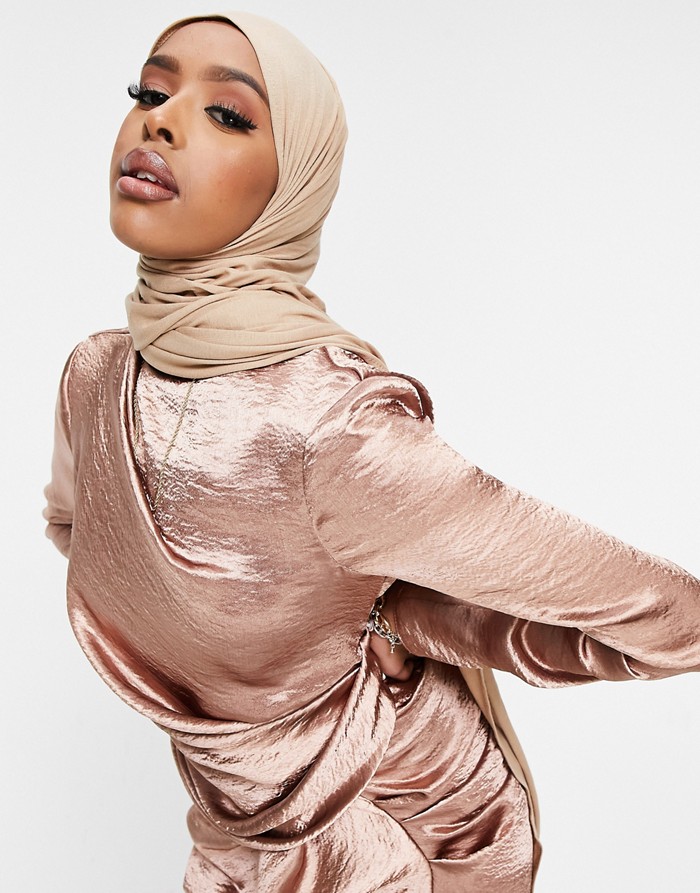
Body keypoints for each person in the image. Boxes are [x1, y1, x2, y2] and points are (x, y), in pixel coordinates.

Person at [43, 11, 700, 893]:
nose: (158, 121)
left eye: (228, 114)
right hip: (237, 828)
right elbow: (79, 529)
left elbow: (646, 608)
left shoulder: (331, 426)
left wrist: (408, 623)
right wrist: (321, 619)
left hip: (395, 832)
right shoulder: (94, 377)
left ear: (292, 185)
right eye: (150, 92)